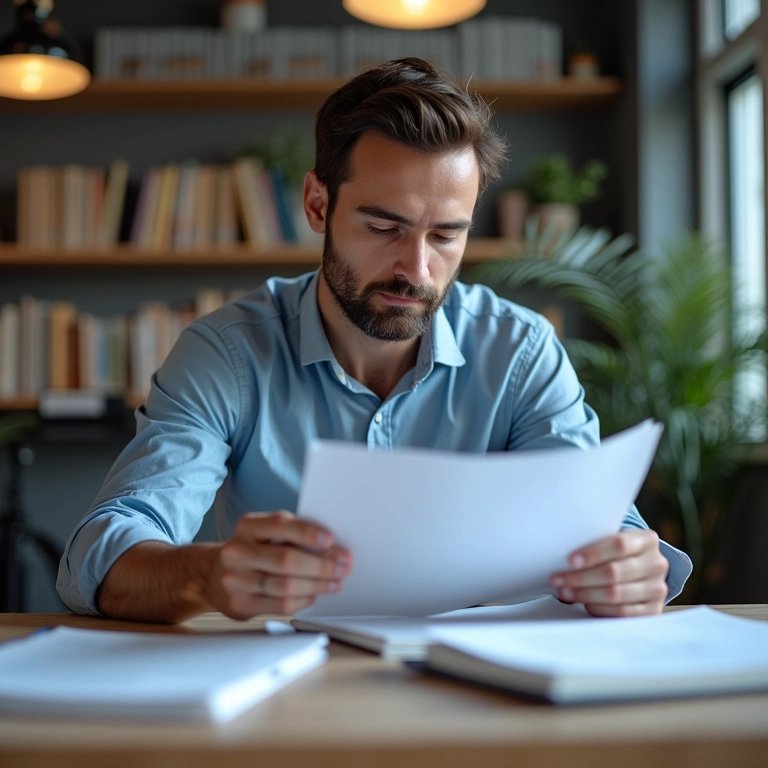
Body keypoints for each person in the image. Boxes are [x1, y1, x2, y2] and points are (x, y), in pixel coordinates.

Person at [57, 58, 691, 623]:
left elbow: (601, 525)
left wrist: (630, 568)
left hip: (488, 689)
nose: (416, 270)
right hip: (291, 689)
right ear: (317, 205)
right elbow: (104, 550)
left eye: (445, 235)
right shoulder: (228, 354)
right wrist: (207, 574)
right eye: (384, 226)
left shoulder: (521, 352)